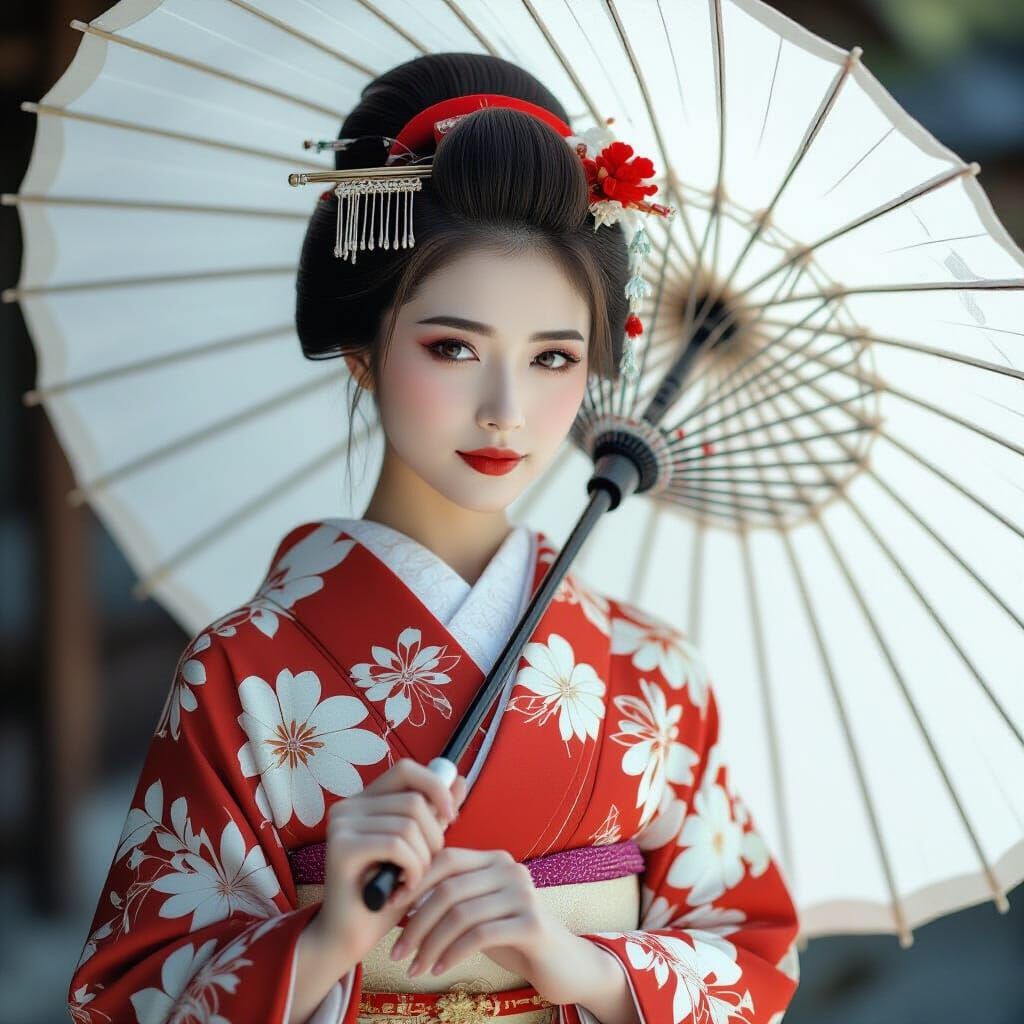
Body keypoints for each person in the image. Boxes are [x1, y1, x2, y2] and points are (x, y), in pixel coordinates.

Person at [68, 52, 800, 1024]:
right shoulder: (240, 674)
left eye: (552, 358)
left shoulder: (653, 675)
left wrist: (571, 961)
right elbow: (126, 998)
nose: (505, 410)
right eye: (452, 347)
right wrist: (326, 937)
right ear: (365, 349)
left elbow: (749, 965)